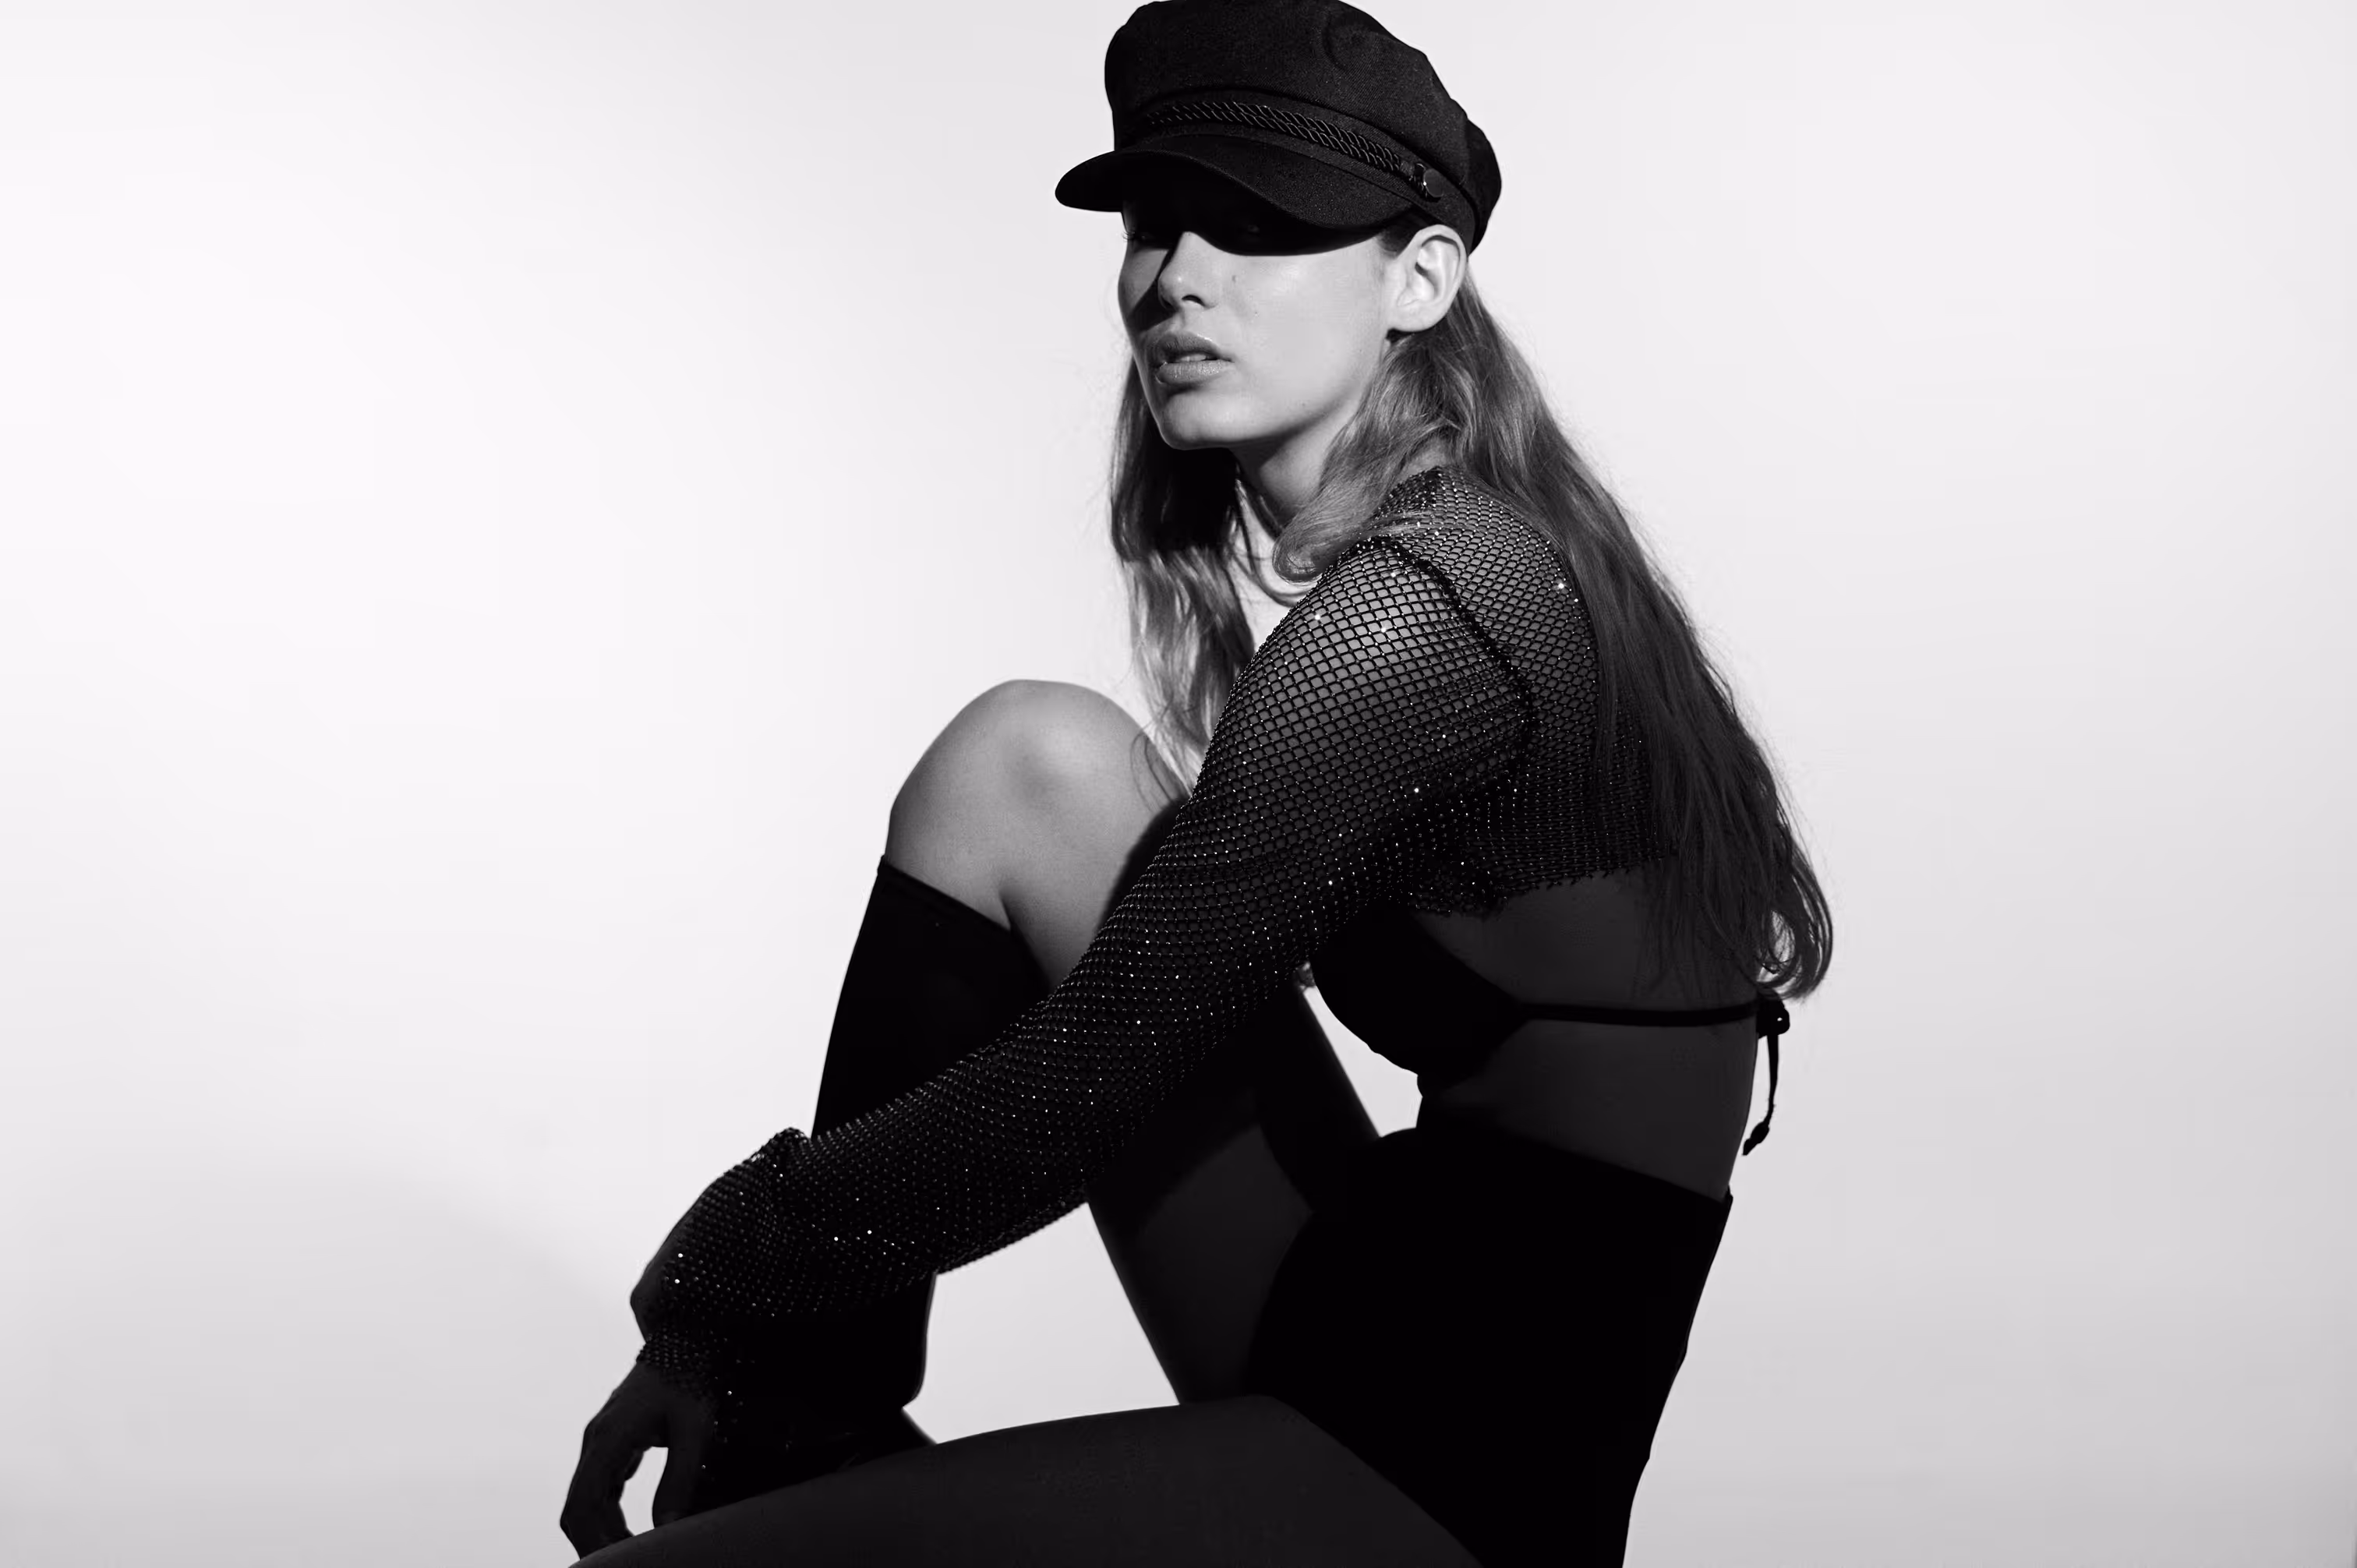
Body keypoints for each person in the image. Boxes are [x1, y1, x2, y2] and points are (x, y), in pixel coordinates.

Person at [559, 0, 1831, 1562]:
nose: (1178, 276)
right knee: (1027, 761)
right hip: (1370, 1293)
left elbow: (1082, 1083)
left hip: (1458, 1462)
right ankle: (796, 1425)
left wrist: (715, 1283)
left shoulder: (1428, 618)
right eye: (1155, 222)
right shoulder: (1461, 552)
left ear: (1421, 278)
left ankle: (772, 1420)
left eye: (1261, 226)